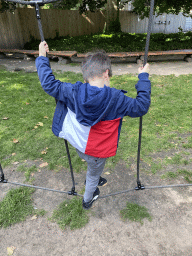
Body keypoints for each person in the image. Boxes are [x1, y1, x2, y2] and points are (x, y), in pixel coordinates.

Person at [36, 41, 151, 210]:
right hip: (96, 153)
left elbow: (48, 84)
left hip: (79, 145)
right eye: (109, 76)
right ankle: (88, 199)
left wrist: (41, 56)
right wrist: (143, 77)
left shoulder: (73, 91)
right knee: (92, 174)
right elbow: (141, 106)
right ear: (106, 73)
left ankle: (94, 180)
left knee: (90, 163)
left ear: (86, 77)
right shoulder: (117, 99)